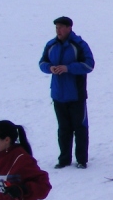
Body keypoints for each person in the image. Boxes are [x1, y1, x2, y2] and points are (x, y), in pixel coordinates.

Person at [39, 16, 95, 169]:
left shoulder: (79, 45)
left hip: (76, 95)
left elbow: (89, 65)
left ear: (69, 28)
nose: (58, 30)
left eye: (61, 27)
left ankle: (82, 160)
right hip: (58, 95)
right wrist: (50, 68)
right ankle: (64, 159)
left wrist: (68, 68)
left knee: (80, 128)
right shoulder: (51, 45)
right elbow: (42, 63)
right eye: (56, 27)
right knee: (63, 129)